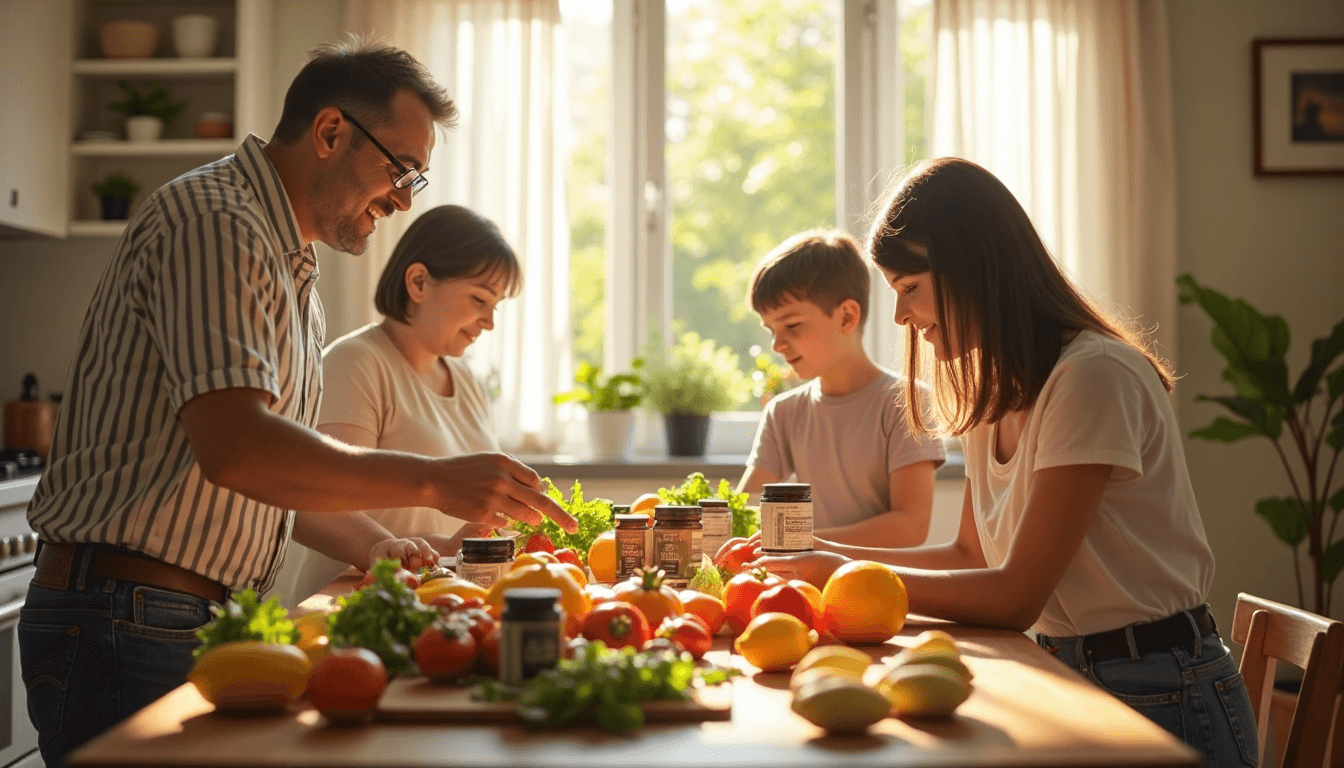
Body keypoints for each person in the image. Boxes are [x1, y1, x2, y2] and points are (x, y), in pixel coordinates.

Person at [19, 39, 574, 768]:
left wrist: (378, 546)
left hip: (181, 612)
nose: (405, 198)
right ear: (331, 132)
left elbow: (282, 475)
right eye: (400, 170)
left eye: (419, 178)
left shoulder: (289, 263)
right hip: (126, 615)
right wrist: (436, 481)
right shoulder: (217, 222)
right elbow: (241, 449)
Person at [752, 158, 1258, 766]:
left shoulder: (1092, 375)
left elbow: (1016, 593)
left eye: (909, 288)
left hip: (1161, 690)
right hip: (1067, 670)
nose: (900, 317)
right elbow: (971, 557)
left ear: (973, 270)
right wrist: (824, 560)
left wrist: (832, 568)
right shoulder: (994, 393)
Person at [271, 205, 520, 607]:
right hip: (353, 607)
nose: (489, 321)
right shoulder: (355, 363)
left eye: (496, 305)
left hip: (436, 602)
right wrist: (413, 549)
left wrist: (456, 547)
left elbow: (439, 536)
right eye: (479, 298)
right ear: (419, 282)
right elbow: (310, 501)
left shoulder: (468, 380)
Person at [738, 229, 945, 547]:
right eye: (771, 329)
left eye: (792, 325)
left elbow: (911, 526)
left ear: (847, 316)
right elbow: (746, 512)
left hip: (875, 591)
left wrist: (807, 543)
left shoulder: (908, 402)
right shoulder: (783, 413)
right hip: (800, 588)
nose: (777, 344)